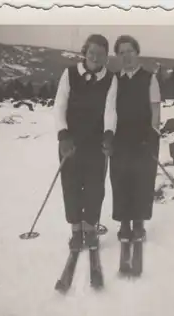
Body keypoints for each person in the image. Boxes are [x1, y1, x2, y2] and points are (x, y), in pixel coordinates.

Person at [54, 34, 117, 253]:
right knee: (70, 186)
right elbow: (59, 105)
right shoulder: (70, 74)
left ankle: (90, 230)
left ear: (106, 57)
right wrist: (63, 134)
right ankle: (75, 232)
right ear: (84, 52)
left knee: (94, 188)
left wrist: (109, 134)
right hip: (70, 142)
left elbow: (110, 109)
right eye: (91, 52)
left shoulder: (111, 78)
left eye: (100, 54)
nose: (95, 57)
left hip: (96, 144)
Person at [102, 35, 161, 242]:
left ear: (137, 52)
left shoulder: (149, 78)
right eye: (122, 52)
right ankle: (124, 224)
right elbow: (109, 108)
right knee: (120, 180)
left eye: (130, 51)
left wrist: (153, 134)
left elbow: (155, 109)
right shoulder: (114, 79)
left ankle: (138, 223)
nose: (126, 56)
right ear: (117, 56)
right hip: (120, 138)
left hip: (144, 137)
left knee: (142, 181)